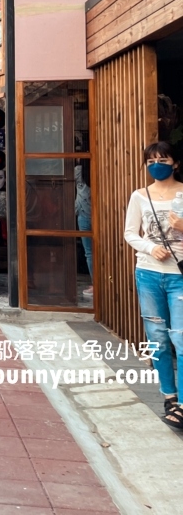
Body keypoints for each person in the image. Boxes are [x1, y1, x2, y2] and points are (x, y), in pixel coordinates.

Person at [124, 141, 183, 430]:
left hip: (179, 275)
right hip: (148, 274)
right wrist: (149, 248)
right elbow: (130, 233)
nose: (157, 164)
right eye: (151, 161)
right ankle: (169, 397)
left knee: (181, 339)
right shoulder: (140, 196)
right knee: (158, 339)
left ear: (176, 163)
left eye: (163, 159)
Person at [75, 163, 93, 297]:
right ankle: (97, 283)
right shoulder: (79, 171)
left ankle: (96, 284)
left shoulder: (78, 170)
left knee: (90, 252)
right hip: (95, 214)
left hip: (85, 215)